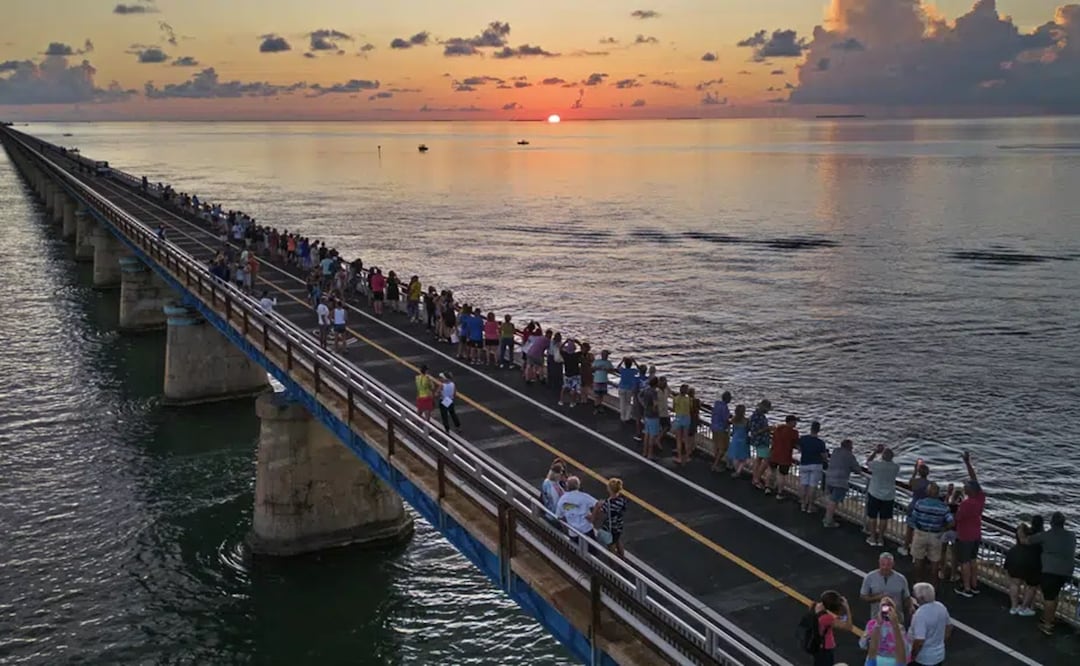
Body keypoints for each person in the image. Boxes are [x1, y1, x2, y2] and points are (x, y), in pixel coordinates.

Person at [1024, 511, 1077, 636]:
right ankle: (1050, 618)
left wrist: (1021, 530)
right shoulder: (1071, 535)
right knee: (1055, 595)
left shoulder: (1046, 535)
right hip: (1066, 572)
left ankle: (1047, 625)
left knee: (1048, 598)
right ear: (1064, 523)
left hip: (1050, 571)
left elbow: (1027, 541)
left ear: (1051, 523)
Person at [953, 452, 985, 598]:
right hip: (976, 534)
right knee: (973, 560)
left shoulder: (966, 504)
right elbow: (974, 479)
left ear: (970, 491)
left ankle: (966, 588)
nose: (964, 487)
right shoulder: (980, 498)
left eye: (966, 487)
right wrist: (967, 463)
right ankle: (974, 584)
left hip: (965, 535)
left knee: (964, 562)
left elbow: (957, 519)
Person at [909, 483, 954, 583]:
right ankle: (933, 585)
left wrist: (919, 525)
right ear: (938, 493)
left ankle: (918, 582)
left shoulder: (920, 503)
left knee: (918, 559)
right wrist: (943, 528)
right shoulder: (943, 507)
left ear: (928, 492)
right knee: (935, 561)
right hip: (936, 535)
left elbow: (913, 518)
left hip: (921, 533)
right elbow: (951, 522)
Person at [1004, 515, 1043, 617]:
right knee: (1031, 586)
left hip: (1015, 556)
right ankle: (1024, 608)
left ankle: (1014, 607)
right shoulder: (1042, 536)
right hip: (1032, 562)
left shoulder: (1025, 531)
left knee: (1014, 583)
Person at [865, 445, 901, 547]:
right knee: (884, 518)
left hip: (874, 493)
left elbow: (867, 462)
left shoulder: (877, 464)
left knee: (872, 516)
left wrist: (875, 451)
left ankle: (872, 537)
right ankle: (880, 538)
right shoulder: (896, 467)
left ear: (883, 455)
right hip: (889, 496)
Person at [860, 552, 912, 622]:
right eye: (883, 564)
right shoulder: (869, 577)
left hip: (896, 619)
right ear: (879, 563)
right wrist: (877, 597)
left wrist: (910, 607)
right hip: (877, 619)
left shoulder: (901, 579)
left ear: (893, 564)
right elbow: (863, 596)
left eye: (888, 565)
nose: (885, 567)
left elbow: (907, 597)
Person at [909, 582, 952, 666]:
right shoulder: (941, 606)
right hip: (939, 655)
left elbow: (919, 640)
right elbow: (949, 627)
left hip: (923, 658)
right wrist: (940, 642)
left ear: (921, 598)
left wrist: (912, 656)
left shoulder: (920, 614)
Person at [859, 595, 909, 666]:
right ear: (880, 608)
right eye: (884, 606)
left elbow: (905, 650)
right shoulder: (872, 624)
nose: (886, 609)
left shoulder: (899, 628)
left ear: (894, 609)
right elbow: (862, 644)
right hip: (876, 658)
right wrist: (871, 632)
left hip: (893, 660)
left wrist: (895, 625)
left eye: (889, 606)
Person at [808, 590, 853, 666]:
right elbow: (848, 627)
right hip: (825, 649)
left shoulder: (816, 607)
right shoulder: (827, 618)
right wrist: (847, 607)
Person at [823, 439, 861, 528]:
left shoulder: (836, 451)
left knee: (830, 498)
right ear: (849, 447)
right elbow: (857, 469)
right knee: (834, 501)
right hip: (840, 481)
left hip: (829, 478)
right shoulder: (850, 456)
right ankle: (828, 520)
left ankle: (827, 516)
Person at [899, 461, 931, 557]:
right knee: (921, 531)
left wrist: (914, 470)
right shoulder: (930, 484)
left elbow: (910, 483)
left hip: (913, 506)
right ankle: (918, 551)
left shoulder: (915, 482)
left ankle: (905, 547)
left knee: (910, 529)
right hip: (924, 509)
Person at [590, 477, 628, 556]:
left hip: (611, 527)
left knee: (611, 545)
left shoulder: (608, 503)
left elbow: (602, 512)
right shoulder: (622, 499)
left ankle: (614, 563)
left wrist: (598, 506)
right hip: (619, 524)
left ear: (610, 489)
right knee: (618, 540)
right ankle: (622, 558)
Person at [796, 421, 828, 513]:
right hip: (816, 465)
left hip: (804, 463)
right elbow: (824, 456)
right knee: (812, 486)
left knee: (803, 484)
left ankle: (802, 504)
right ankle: (810, 506)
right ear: (819, 430)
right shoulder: (820, 443)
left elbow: (798, 447)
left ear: (811, 428)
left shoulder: (803, 439)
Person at [555, 476, 598, 541]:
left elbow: (559, 516)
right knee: (592, 549)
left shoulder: (562, 500)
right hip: (586, 529)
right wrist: (592, 517)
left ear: (567, 486)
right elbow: (598, 504)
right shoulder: (584, 496)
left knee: (575, 549)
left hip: (573, 532)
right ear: (578, 485)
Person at [767, 414, 798, 499]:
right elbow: (796, 442)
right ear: (791, 422)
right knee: (782, 475)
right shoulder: (794, 432)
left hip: (774, 453)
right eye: (795, 422)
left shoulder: (778, 429)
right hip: (785, 457)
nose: (796, 424)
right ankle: (779, 493)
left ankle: (768, 487)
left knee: (771, 470)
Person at [748, 399, 772, 490]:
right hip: (761, 441)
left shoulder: (757, 416)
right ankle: (756, 478)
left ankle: (755, 477)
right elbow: (755, 431)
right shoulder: (757, 417)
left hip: (759, 441)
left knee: (758, 459)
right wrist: (767, 429)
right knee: (766, 460)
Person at [710, 391, 732, 472]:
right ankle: (715, 464)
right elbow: (725, 420)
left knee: (716, 446)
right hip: (720, 429)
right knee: (723, 448)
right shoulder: (725, 407)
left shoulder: (717, 404)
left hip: (713, 426)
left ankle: (715, 462)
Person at [727, 404, 750, 477]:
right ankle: (738, 471)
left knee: (735, 456)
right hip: (743, 439)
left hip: (735, 439)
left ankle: (736, 470)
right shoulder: (746, 421)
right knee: (743, 457)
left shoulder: (734, 419)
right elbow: (748, 430)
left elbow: (731, 426)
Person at [640, 377, 661, 459]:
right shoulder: (654, 392)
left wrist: (644, 405)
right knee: (652, 435)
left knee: (647, 434)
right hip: (653, 416)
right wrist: (655, 409)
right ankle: (650, 454)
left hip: (646, 414)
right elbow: (655, 404)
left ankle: (645, 452)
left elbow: (639, 395)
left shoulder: (646, 389)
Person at [672, 384, 693, 464]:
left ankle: (679, 457)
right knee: (686, 439)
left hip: (678, 418)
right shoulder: (689, 400)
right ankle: (687, 457)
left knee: (678, 439)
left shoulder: (676, 398)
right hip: (687, 418)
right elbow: (690, 408)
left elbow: (673, 409)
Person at [558, 338, 582, 408]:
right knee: (574, 389)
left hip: (567, 374)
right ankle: (572, 402)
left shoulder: (565, 355)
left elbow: (560, 349)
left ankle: (561, 400)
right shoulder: (576, 355)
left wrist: (565, 341)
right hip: (575, 374)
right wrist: (578, 342)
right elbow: (583, 350)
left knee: (564, 387)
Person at [617, 358, 637, 422]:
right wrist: (635, 362)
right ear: (631, 365)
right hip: (629, 388)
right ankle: (627, 417)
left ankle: (622, 417)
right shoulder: (633, 371)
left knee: (622, 403)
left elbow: (618, 367)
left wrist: (622, 361)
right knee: (628, 403)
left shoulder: (623, 370)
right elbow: (640, 370)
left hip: (622, 387)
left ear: (625, 364)